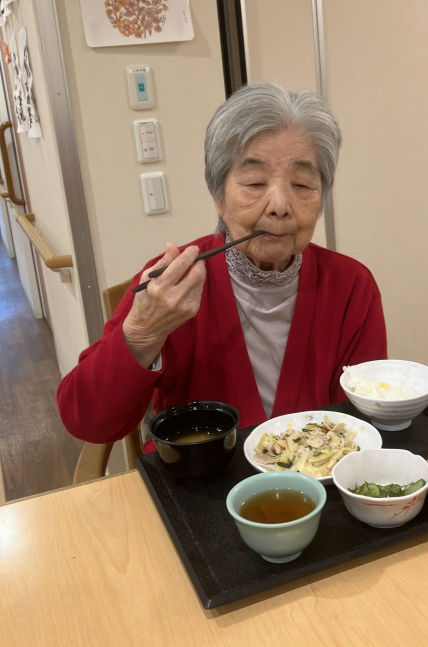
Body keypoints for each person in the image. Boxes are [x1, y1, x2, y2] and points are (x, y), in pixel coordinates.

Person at [58, 83, 387, 449]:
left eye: (302, 184)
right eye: (255, 182)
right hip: (198, 477)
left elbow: (364, 422)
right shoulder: (172, 286)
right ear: (219, 196)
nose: (280, 205)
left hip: (319, 479)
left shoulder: (351, 286)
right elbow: (87, 422)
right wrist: (142, 334)